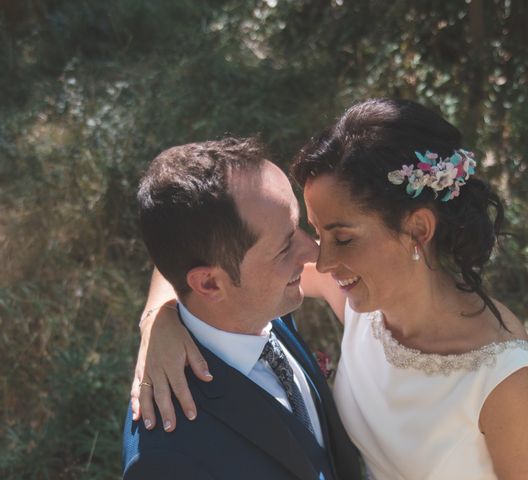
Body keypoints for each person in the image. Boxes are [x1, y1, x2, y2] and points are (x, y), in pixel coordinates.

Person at [132, 99, 528, 479]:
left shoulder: (505, 379)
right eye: (313, 231)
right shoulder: (359, 296)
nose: (317, 260)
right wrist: (158, 319)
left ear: (417, 229)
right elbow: (191, 238)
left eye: (342, 237)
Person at [122, 138, 361, 480]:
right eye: (284, 247)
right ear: (209, 285)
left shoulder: (261, 305)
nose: (312, 252)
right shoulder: (165, 456)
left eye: (298, 228)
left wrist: (154, 316)